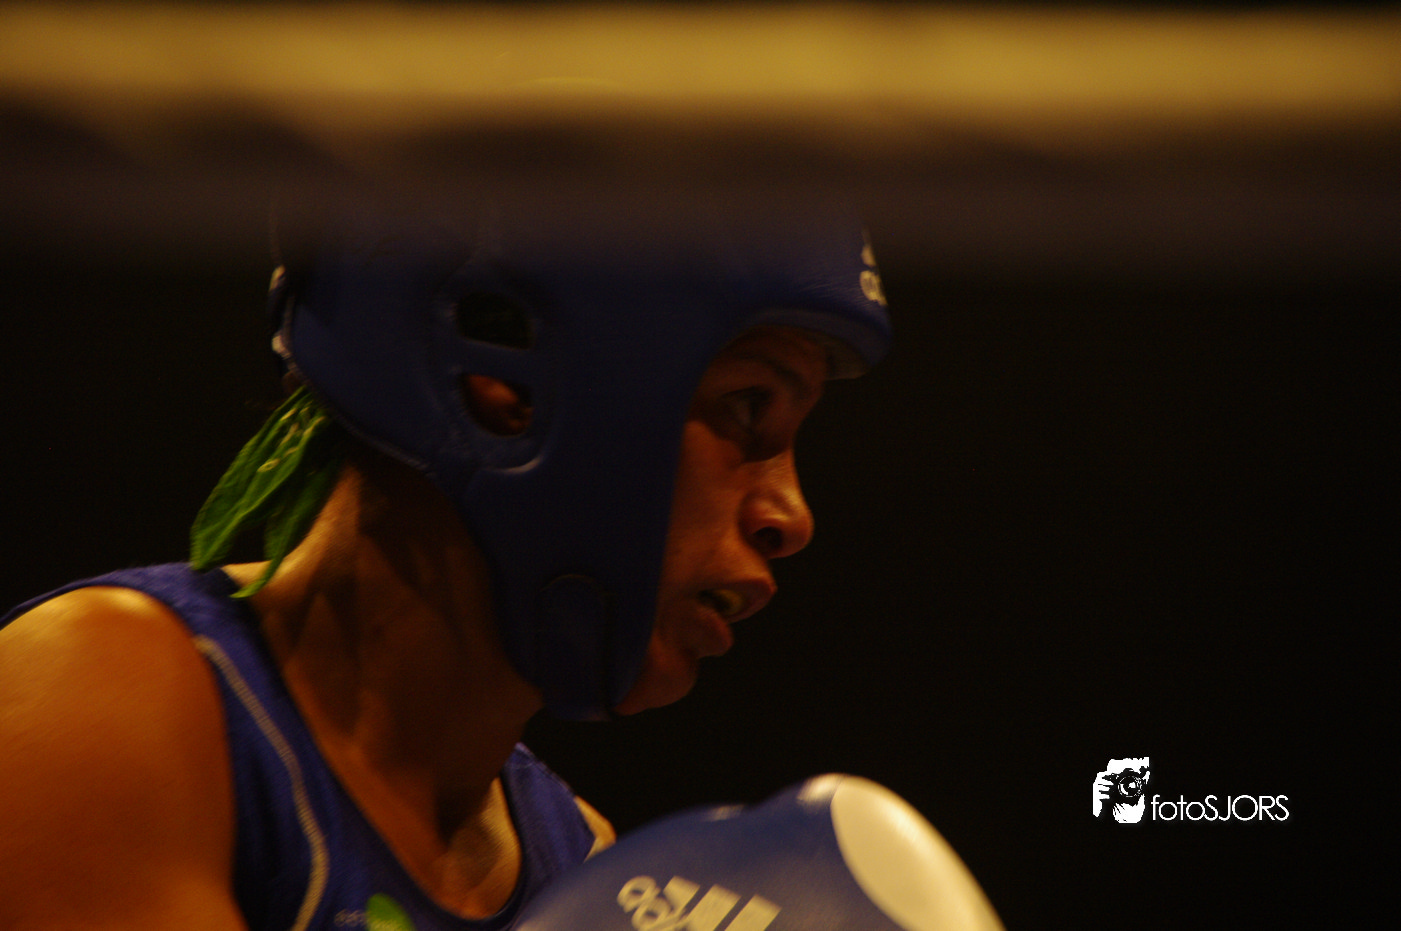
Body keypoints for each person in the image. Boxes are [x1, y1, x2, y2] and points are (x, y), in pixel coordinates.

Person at [0, 192, 892, 929]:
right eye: (747, 405)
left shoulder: (582, 867)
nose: (791, 515)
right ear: (504, 385)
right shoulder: (103, 694)